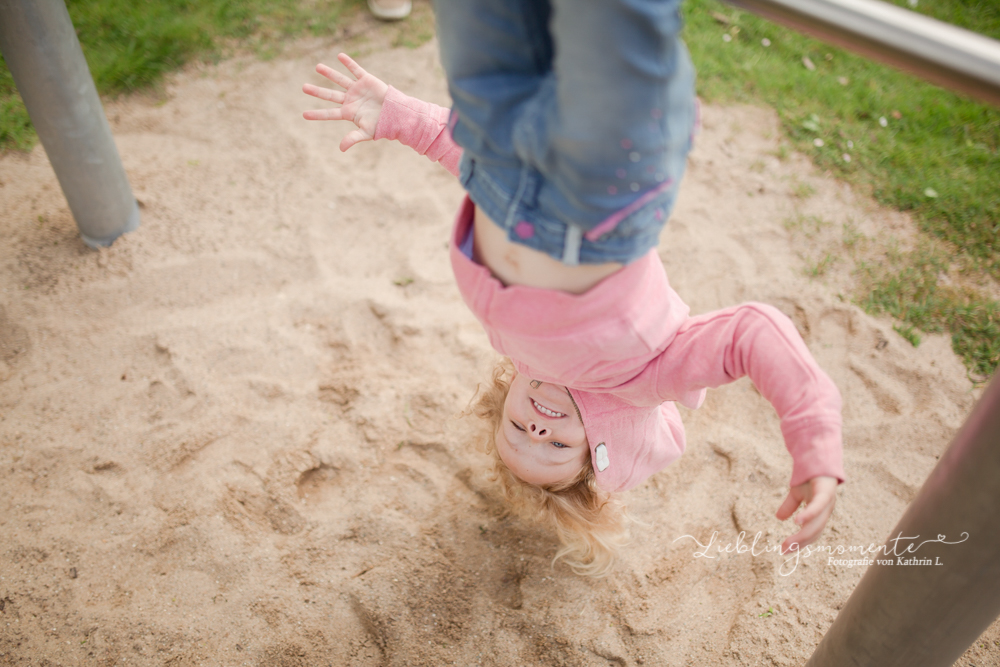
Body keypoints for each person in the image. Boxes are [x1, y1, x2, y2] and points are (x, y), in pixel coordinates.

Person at [302, 54, 844, 576]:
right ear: (608, 439)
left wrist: (400, 118)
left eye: (518, 429)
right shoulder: (644, 380)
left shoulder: (517, 349)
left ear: (503, 402)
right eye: (557, 445)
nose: (537, 427)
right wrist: (813, 440)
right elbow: (752, 334)